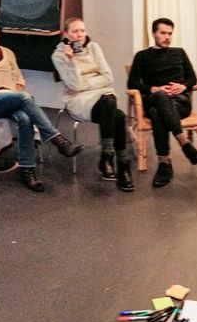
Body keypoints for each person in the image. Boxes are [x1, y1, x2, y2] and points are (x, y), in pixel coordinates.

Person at [0, 12, 83, 193]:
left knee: (25, 118)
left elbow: (19, 81)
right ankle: (56, 139)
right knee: (25, 97)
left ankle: (27, 169)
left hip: (11, 98)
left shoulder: (7, 53)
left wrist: (15, 96)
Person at [50, 17, 134, 191]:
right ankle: (120, 164)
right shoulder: (58, 56)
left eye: (82, 30)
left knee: (109, 102)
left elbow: (108, 77)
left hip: (101, 95)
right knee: (117, 115)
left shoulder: (94, 48)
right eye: (74, 31)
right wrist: (71, 60)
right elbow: (74, 86)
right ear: (65, 34)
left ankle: (109, 158)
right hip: (78, 101)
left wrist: (85, 84)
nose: (79, 35)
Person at [127, 17, 197, 187]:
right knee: (160, 99)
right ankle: (184, 142)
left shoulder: (179, 52)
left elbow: (192, 77)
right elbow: (132, 84)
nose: (167, 37)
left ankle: (164, 164)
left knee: (157, 113)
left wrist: (183, 87)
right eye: (163, 33)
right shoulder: (142, 56)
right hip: (154, 98)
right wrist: (153, 89)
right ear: (154, 33)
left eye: (169, 34)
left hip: (179, 102)